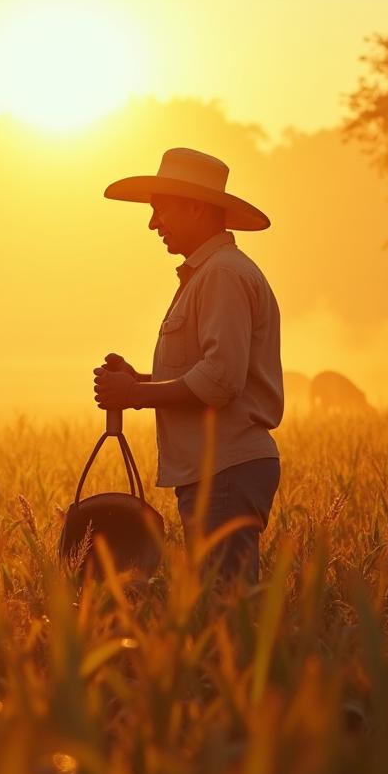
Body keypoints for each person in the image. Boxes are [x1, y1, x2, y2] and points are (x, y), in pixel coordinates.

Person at [93, 148, 283, 583]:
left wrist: (136, 395)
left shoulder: (222, 275)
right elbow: (206, 372)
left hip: (225, 470)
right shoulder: (209, 274)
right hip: (214, 471)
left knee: (225, 614)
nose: (153, 223)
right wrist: (139, 381)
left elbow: (219, 380)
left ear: (196, 207)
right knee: (217, 609)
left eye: (160, 210)